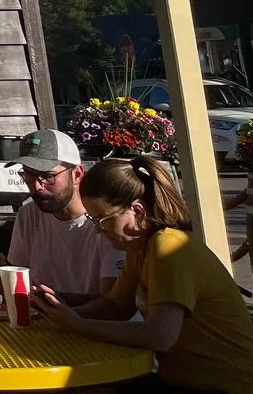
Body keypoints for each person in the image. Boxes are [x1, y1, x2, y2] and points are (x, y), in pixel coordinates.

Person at [34, 156, 253, 394]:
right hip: (183, 381)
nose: (99, 230)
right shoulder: (140, 247)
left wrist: (77, 323)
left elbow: (160, 336)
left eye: (103, 220)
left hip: (225, 386)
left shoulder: (169, 247)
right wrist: (57, 306)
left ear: (137, 211)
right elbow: (117, 306)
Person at [0, 128, 123, 304]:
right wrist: (4, 282)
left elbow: (114, 304)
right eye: (28, 176)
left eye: (47, 176)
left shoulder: (107, 219)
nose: (37, 186)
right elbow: (21, 288)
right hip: (48, 325)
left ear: (77, 175)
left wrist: (54, 302)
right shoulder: (28, 215)